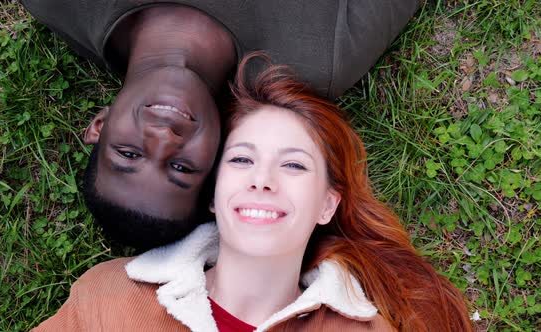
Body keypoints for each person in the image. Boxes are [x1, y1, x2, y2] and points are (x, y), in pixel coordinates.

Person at [32, 53, 473, 332]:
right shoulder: (111, 294)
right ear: (211, 192)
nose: (263, 180)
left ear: (327, 204)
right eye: (242, 160)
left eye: (295, 165)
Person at [19, 0, 421, 249]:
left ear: (99, 125)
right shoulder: (320, 59)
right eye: (181, 168)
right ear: (220, 155)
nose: (162, 139)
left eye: (128, 153)